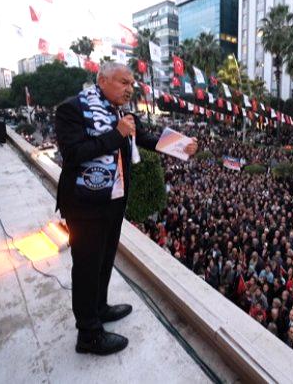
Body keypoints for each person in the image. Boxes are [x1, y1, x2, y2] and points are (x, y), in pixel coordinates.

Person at [54, 62, 197, 355]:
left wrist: (183, 146)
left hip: (114, 201)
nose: (129, 89)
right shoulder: (72, 109)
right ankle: (88, 335)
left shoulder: (123, 114)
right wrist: (115, 135)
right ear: (102, 80)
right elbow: (72, 154)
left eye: (131, 84)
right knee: (86, 267)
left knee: (105, 261)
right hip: (85, 205)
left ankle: (100, 308)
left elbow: (144, 138)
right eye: (123, 82)